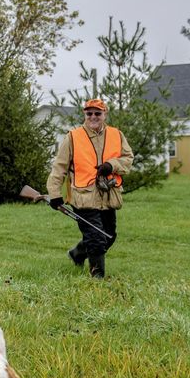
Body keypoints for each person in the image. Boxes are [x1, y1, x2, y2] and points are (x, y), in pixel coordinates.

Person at [46, 98, 133, 278]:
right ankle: (98, 279)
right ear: (85, 114)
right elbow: (59, 167)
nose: (93, 117)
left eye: (97, 113)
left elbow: (128, 158)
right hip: (83, 198)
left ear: (104, 114)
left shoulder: (117, 135)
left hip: (108, 196)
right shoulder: (73, 137)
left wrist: (111, 165)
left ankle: (77, 253)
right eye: (89, 113)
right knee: (96, 238)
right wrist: (54, 194)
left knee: (109, 236)